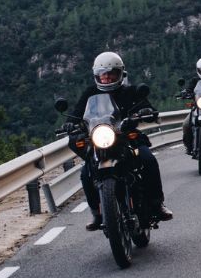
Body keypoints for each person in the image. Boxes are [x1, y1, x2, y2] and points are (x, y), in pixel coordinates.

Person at [69, 50, 172, 229]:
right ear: (96, 75)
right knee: (86, 173)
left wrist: (146, 112)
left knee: (148, 159)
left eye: (111, 74)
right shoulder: (90, 94)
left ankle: (157, 204)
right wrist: (70, 124)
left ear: (120, 74)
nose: (107, 78)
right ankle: (97, 213)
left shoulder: (131, 91)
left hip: (127, 139)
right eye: (103, 75)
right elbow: (77, 115)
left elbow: (148, 107)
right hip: (100, 140)